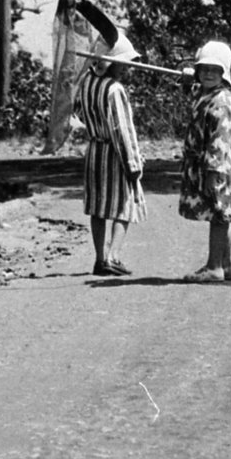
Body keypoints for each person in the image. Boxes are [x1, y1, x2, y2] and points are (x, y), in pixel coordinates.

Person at [73, 29, 146, 276]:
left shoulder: (86, 83)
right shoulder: (115, 90)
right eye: (123, 64)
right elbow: (122, 130)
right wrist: (133, 163)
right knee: (124, 205)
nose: (126, 69)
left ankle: (100, 258)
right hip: (114, 153)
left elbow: (80, 113)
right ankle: (112, 257)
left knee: (98, 207)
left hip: (94, 150)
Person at [179, 39, 231, 283]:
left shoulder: (221, 101)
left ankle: (215, 267)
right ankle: (225, 263)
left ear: (224, 73)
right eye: (204, 69)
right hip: (205, 163)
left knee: (219, 215)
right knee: (219, 213)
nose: (209, 74)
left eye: (215, 70)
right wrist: (186, 79)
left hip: (217, 164)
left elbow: (219, 140)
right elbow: (192, 91)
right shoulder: (205, 93)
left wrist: (213, 171)